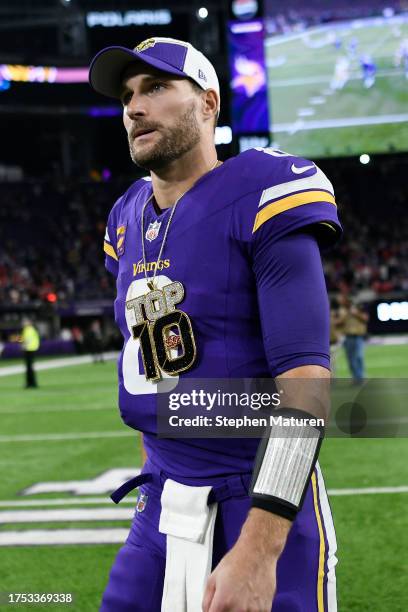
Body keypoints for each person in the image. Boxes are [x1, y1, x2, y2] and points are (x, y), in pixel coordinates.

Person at [89, 37, 342, 611]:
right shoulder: (127, 216)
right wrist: (152, 473)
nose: (134, 107)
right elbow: (150, 365)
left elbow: (306, 381)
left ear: (208, 103)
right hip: (160, 502)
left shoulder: (261, 189)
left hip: (254, 501)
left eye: (155, 88)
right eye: (128, 95)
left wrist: (259, 549)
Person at [338, 295, 368, 384]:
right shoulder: (342, 311)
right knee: (351, 358)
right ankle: (355, 377)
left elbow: (365, 318)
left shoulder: (359, 309)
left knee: (359, 357)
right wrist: (347, 314)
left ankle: (361, 376)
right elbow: (338, 323)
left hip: (358, 336)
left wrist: (355, 313)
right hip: (347, 337)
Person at [21, 317, 40, 388]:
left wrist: (23, 345)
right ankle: (30, 383)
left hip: (29, 349)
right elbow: (23, 338)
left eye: (25, 322)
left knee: (29, 368)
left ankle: (31, 383)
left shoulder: (29, 329)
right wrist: (18, 339)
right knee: (29, 368)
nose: (23, 323)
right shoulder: (26, 329)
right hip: (29, 349)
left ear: (29, 322)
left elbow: (27, 340)